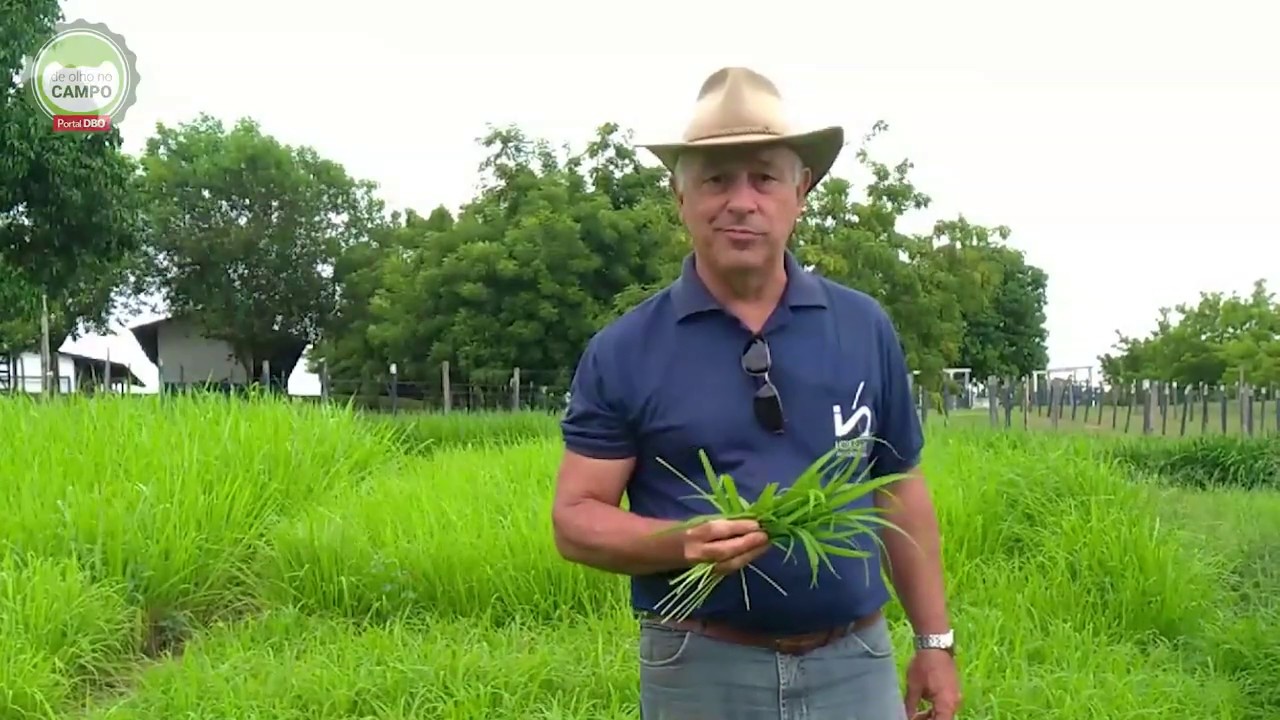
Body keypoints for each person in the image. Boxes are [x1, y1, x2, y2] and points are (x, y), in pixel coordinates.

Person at [551, 66, 962, 720]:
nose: (741, 200)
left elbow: (898, 488)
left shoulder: (862, 328)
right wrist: (680, 543)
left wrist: (935, 641)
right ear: (679, 196)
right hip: (699, 666)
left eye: (764, 177)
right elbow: (576, 519)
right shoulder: (624, 349)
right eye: (715, 178)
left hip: (854, 662)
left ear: (800, 192)